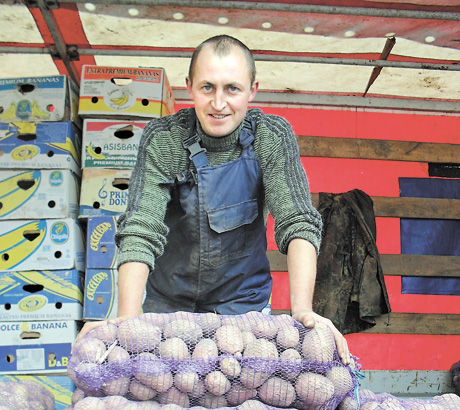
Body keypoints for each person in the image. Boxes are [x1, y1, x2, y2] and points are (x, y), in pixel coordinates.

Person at [77, 34, 350, 365]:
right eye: (208, 87)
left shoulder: (270, 137)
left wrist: (303, 311)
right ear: (189, 87)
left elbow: (296, 220)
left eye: (232, 88)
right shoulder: (165, 139)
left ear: (252, 90)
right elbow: (141, 228)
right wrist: (126, 319)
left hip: (242, 306)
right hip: (169, 303)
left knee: (234, 392)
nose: (219, 103)